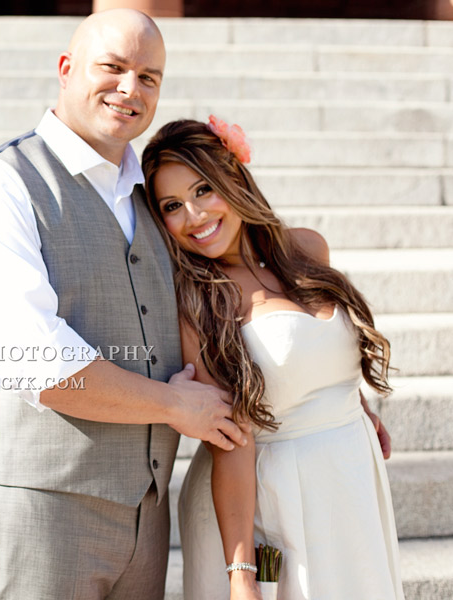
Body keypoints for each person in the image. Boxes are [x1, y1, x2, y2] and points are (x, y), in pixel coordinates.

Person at [0, 10, 249, 600]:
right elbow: (37, 364)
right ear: (66, 68)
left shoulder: (158, 197)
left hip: (144, 517)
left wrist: (337, 390)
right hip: (37, 511)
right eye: (112, 67)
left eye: (149, 77)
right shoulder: (0, 186)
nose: (130, 89)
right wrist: (175, 406)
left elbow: (247, 295)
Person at [142, 117, 404, 600]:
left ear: (234, 177)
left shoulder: (307, 247)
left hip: (347, 476)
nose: (195, 215)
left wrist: (355, 407)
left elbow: (314, 354)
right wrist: (241, 573)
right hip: (267, 500)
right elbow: (231, 440)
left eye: (203, 190)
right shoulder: (198, 300)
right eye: (172, 206)